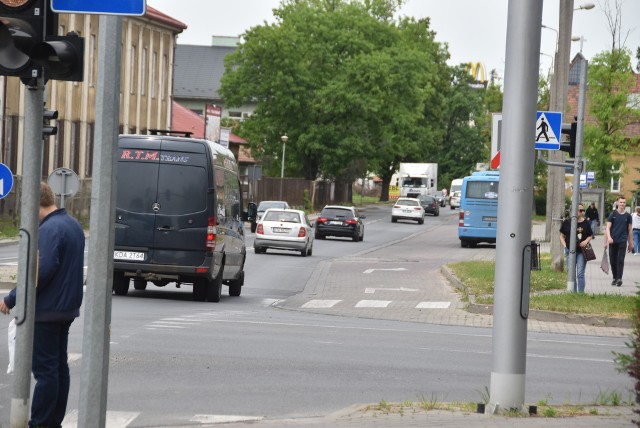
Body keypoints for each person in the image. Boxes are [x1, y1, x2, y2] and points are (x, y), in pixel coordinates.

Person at [0, 183, 85, 428]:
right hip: (66, 308)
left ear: (33, 204)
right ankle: (53, 420)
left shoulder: (49, 230)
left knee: (45, 370)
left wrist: (11, 298)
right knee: (58, 367)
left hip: (47, 309)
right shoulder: (73, 224)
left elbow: (40, 271)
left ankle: (41, 422)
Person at [559, 203, 593, 293]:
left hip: (581, 252)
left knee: (580, 273)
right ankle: (573, 293)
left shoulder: (586, 223)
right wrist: (566, 247)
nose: (580, 212)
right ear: (573, 210)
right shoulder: (567, 222)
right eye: (579, 210)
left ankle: (581, 294)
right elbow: (561, 236)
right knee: (571, 273)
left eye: (582, 210)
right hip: (570, 251)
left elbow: (590, 235)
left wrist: (586, 241)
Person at [605, 195, 633, 286]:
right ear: (617, 203)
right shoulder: (613, 214)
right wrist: (608, 238)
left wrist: (631, 243)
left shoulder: (628, 216)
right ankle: (615, 277)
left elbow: (630, 230)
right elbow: (608, 228)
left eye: (624, 202)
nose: (622, 204)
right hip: (612, 241)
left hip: (622, 241)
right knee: (613, 260)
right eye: (621, 202)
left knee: (620, 260)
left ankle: (619, 278)